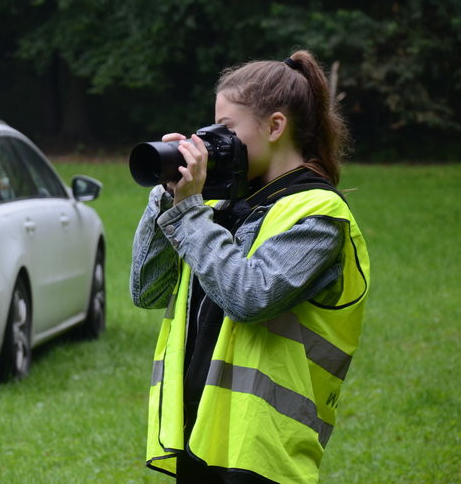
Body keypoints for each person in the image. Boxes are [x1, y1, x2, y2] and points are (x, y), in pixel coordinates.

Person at [130, 50, 370, 483]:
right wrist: (169, 196)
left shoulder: (319, 214)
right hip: (201, 435)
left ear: (276, 126)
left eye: (226, 129)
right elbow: (145, 289)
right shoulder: (220, 207)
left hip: (263, 448)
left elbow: (249, 296)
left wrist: (189, 214)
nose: (210, 140)